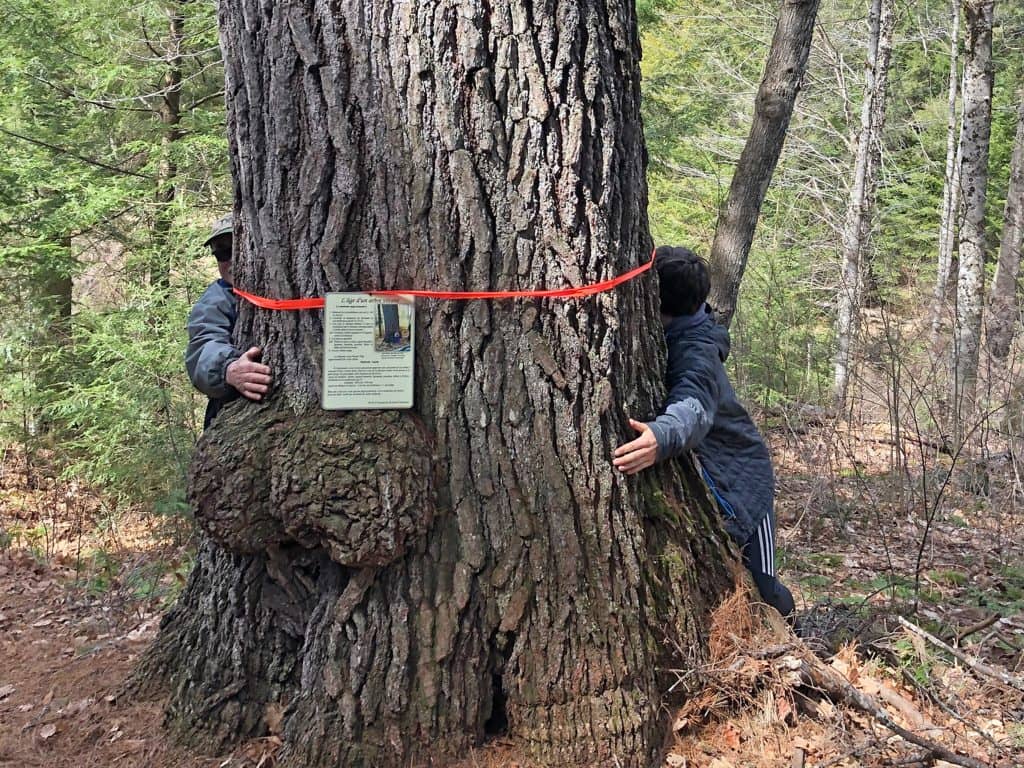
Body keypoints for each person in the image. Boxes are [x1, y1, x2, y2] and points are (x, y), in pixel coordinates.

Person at [613, 246, 794, 618]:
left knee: (764, 591)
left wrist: (661, 436)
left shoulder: (696, 348)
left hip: (743, 482)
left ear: (658, 307)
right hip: (721, 474)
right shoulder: (687, 323)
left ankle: (797, 640)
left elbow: (693, 405)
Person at [185, 213, 272, 429]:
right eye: (222, 252)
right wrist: (228, 369)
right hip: (232, 415)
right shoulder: (216, 300)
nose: (232, 259)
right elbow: (204, 344)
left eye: (239, 247)